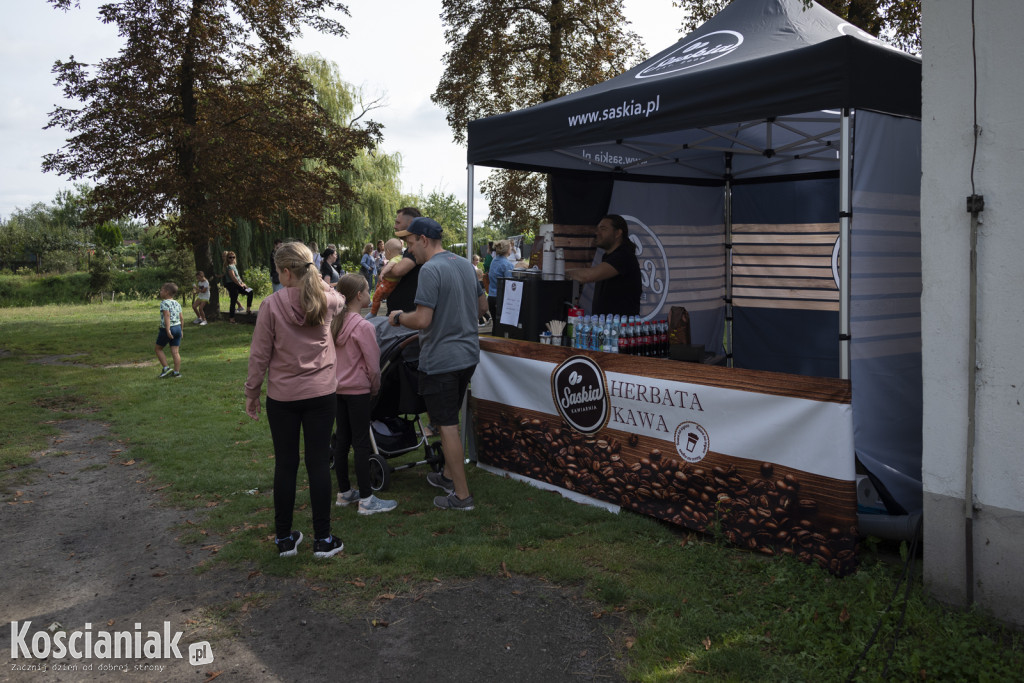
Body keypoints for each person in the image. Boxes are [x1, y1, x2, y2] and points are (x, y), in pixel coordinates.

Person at [245, 241, 346, 559]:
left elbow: (259, 355)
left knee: (285, 465)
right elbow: (342, 298)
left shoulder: (271, 305)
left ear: (287, 272)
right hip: (321, 393)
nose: (278, 276)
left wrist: (252, 392)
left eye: (278, 271)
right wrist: (318, 281)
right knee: (318, 463)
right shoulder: (327, 299)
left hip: (283, 397)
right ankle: (323, 539)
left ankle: (284, 539)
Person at [388, 217, 488, 511]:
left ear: (423, 239)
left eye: (410, 243)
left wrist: (397, 317)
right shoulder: (465, 265)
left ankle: (461, 496)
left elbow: (422, 320)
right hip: (468, 357)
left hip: (441, 361)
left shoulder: (430, 269)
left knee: (447, 427)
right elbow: (482, 307)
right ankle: (447, 475)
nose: (409, 251)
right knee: (449, 422)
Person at [331, 274, 397, 515]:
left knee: (342, 441)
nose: (371, 294)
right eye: (368, 290)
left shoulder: (334, 323)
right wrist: (375, 387)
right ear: (358, 295)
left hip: (338, 389)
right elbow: (373, 365)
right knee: (361, 443)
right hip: (358, 390)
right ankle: (367, 498)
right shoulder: (363, 326)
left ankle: (344, 492)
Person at [567, 214, 642, 316]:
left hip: (620, 328)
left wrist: (557, 273)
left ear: (618, 233)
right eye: (597, 229)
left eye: (603, 229)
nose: (597, 232)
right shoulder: (609, 256)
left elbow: (587, 276)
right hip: (606, 327)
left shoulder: (624, 256)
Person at [382, 207, 423, 314]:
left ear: (411, 223)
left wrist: (384, 270)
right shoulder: (410, 250)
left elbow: (398, 271)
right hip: (400, 316)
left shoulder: (415, 250)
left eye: (398, 222)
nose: (395, 226)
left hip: (406, 317)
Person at [369, 238, 406, 316]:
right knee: (378, 286)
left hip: (388, 283)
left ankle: (373, 313)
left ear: (388, 252)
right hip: (392, 283)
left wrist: (382, 273)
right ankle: (377, 301)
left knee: (376, 296)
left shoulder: (394, 259)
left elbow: (390, 266)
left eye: (385, 252)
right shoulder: (401, 257)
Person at [155, 282, 183, 379]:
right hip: (178, 328)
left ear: (166, 292)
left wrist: (167, 330)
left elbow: (167, 315)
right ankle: (176, 372)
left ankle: (166, 368)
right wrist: (181, 330)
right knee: (175, 352)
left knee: (158, 349)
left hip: (168, 328)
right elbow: (181, 318)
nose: (160, 292)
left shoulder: (164, 303)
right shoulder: (177, 303)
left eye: (162, 290)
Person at [486, 240, 515, 324]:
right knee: (503, 327)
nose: (512, 248)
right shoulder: (507, 264)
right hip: (501, 298)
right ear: (507, 250)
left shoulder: (493, 261)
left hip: (491, 297)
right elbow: (509, 283)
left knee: (495, 325)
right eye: (510, 247)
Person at [224, 252, 254, 323]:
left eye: (233, 257)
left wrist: (243, 283)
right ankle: (231, 319)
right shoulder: (229, 267)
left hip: (238, 284)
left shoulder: (233, 265)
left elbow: (238, 276)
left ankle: (248, 310)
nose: (232, 259)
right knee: (233, 301)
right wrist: (240, 284)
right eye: (230, 257)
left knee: (250, 292)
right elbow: (233, 277)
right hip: (232, 285)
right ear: (227, 259)